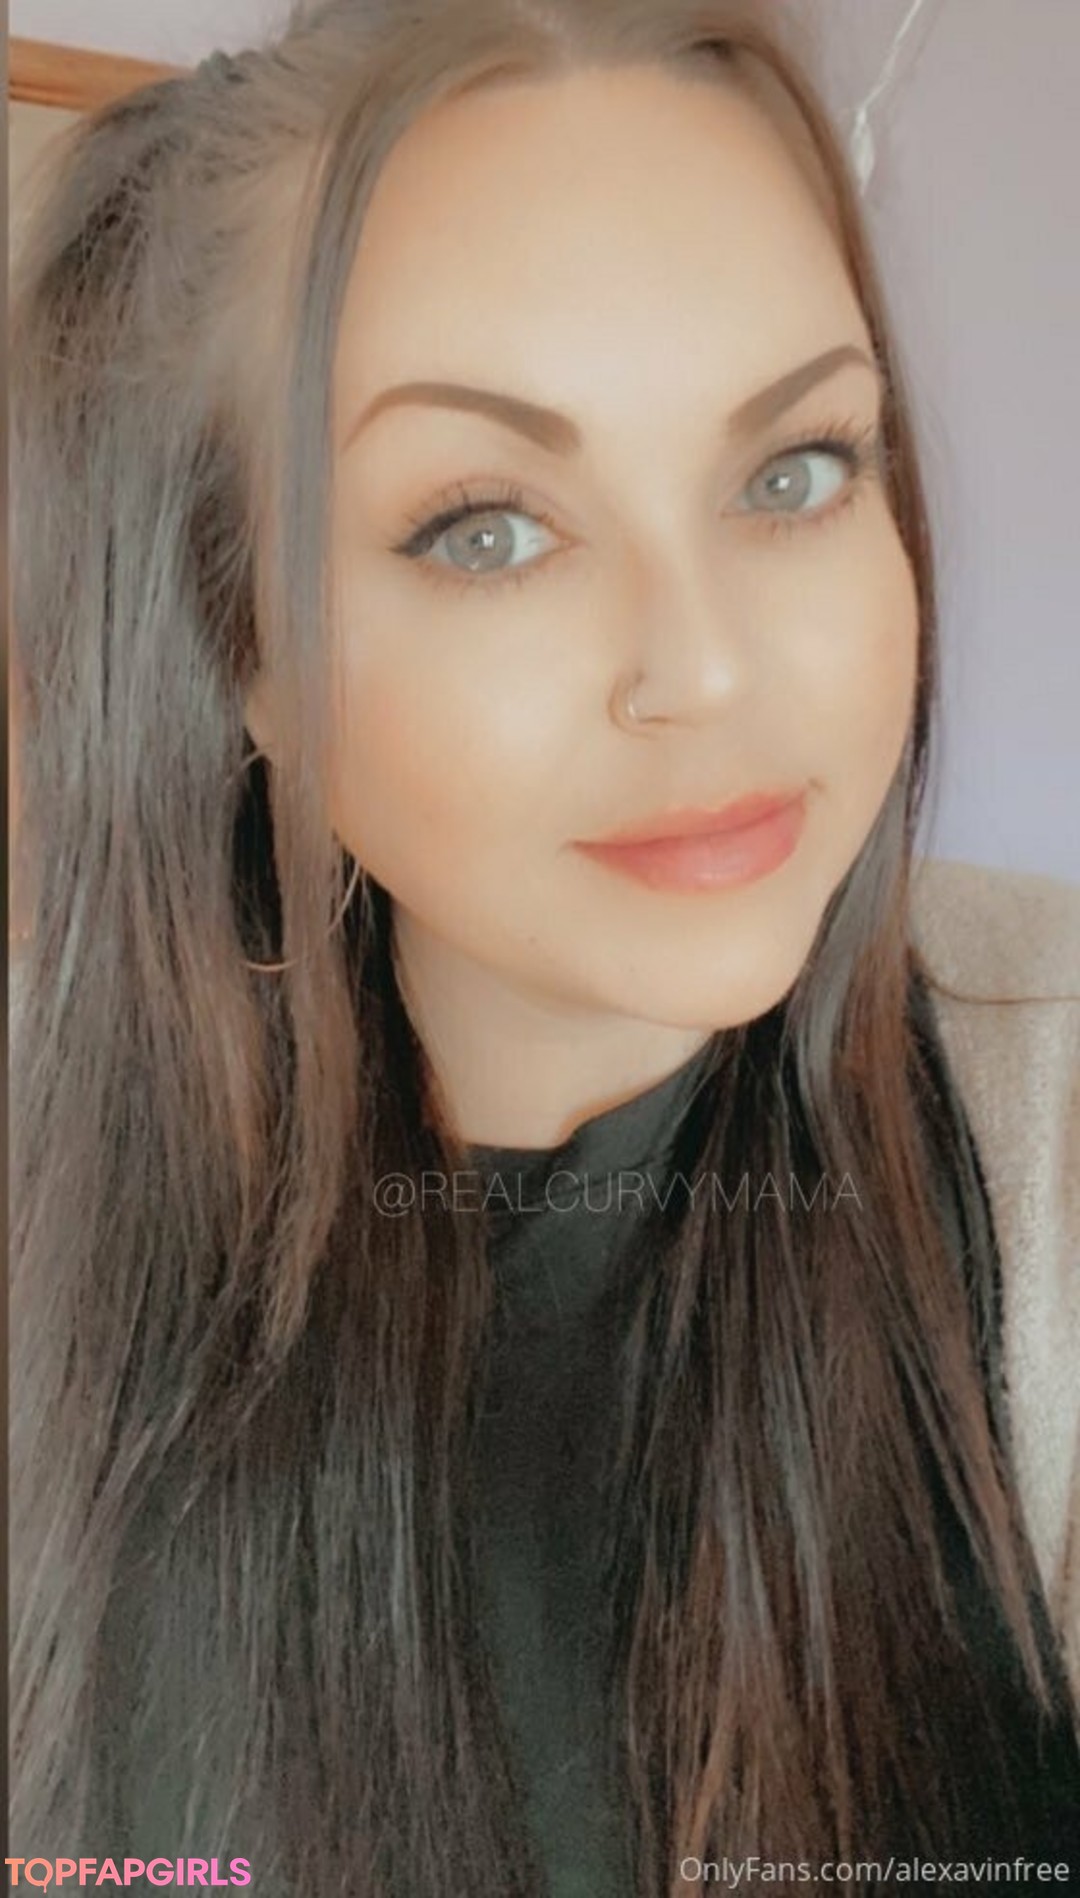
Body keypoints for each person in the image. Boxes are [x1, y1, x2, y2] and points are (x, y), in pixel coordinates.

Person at [9, 1, 1080, 1893]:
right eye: (488, 528)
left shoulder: (1042, 1101)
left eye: (794, 469)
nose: (709, 671)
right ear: (238, 645)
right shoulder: (55, 1233)